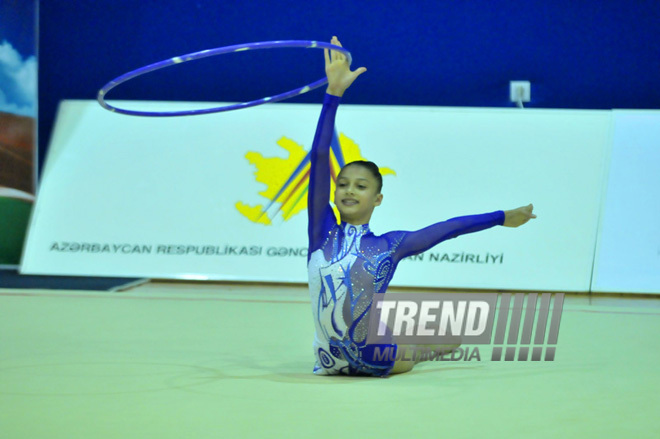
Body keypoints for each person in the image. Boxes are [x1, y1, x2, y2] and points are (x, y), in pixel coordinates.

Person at [307, 37, 536, 377]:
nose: (348, 190)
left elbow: (448, 229)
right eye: (342, 184)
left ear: (377, 199)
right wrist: (333, 94)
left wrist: (501, 217)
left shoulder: (389, 245)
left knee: (410, 356)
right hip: (328, 357)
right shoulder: (321, 231)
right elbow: (320, 155)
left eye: (361, 186)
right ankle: (422, 344)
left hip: (375, 357)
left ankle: (430, 348)